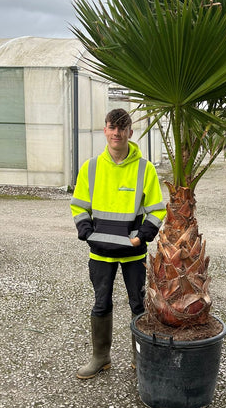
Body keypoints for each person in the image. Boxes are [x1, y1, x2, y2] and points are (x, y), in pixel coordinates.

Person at [70, 108, 166, 379]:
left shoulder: (144, 169)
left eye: (122, 128)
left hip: (133, 253)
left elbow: (157, 210)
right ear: (105, 130)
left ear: (130, 133)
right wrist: (86, 231)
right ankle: (101, 358)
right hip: (100, 253)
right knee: (101, 304)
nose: (117, 133)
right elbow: (78, 206)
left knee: (138, 306)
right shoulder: (91, 167)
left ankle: (140, 359)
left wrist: (142, 236)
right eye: (112, 127)